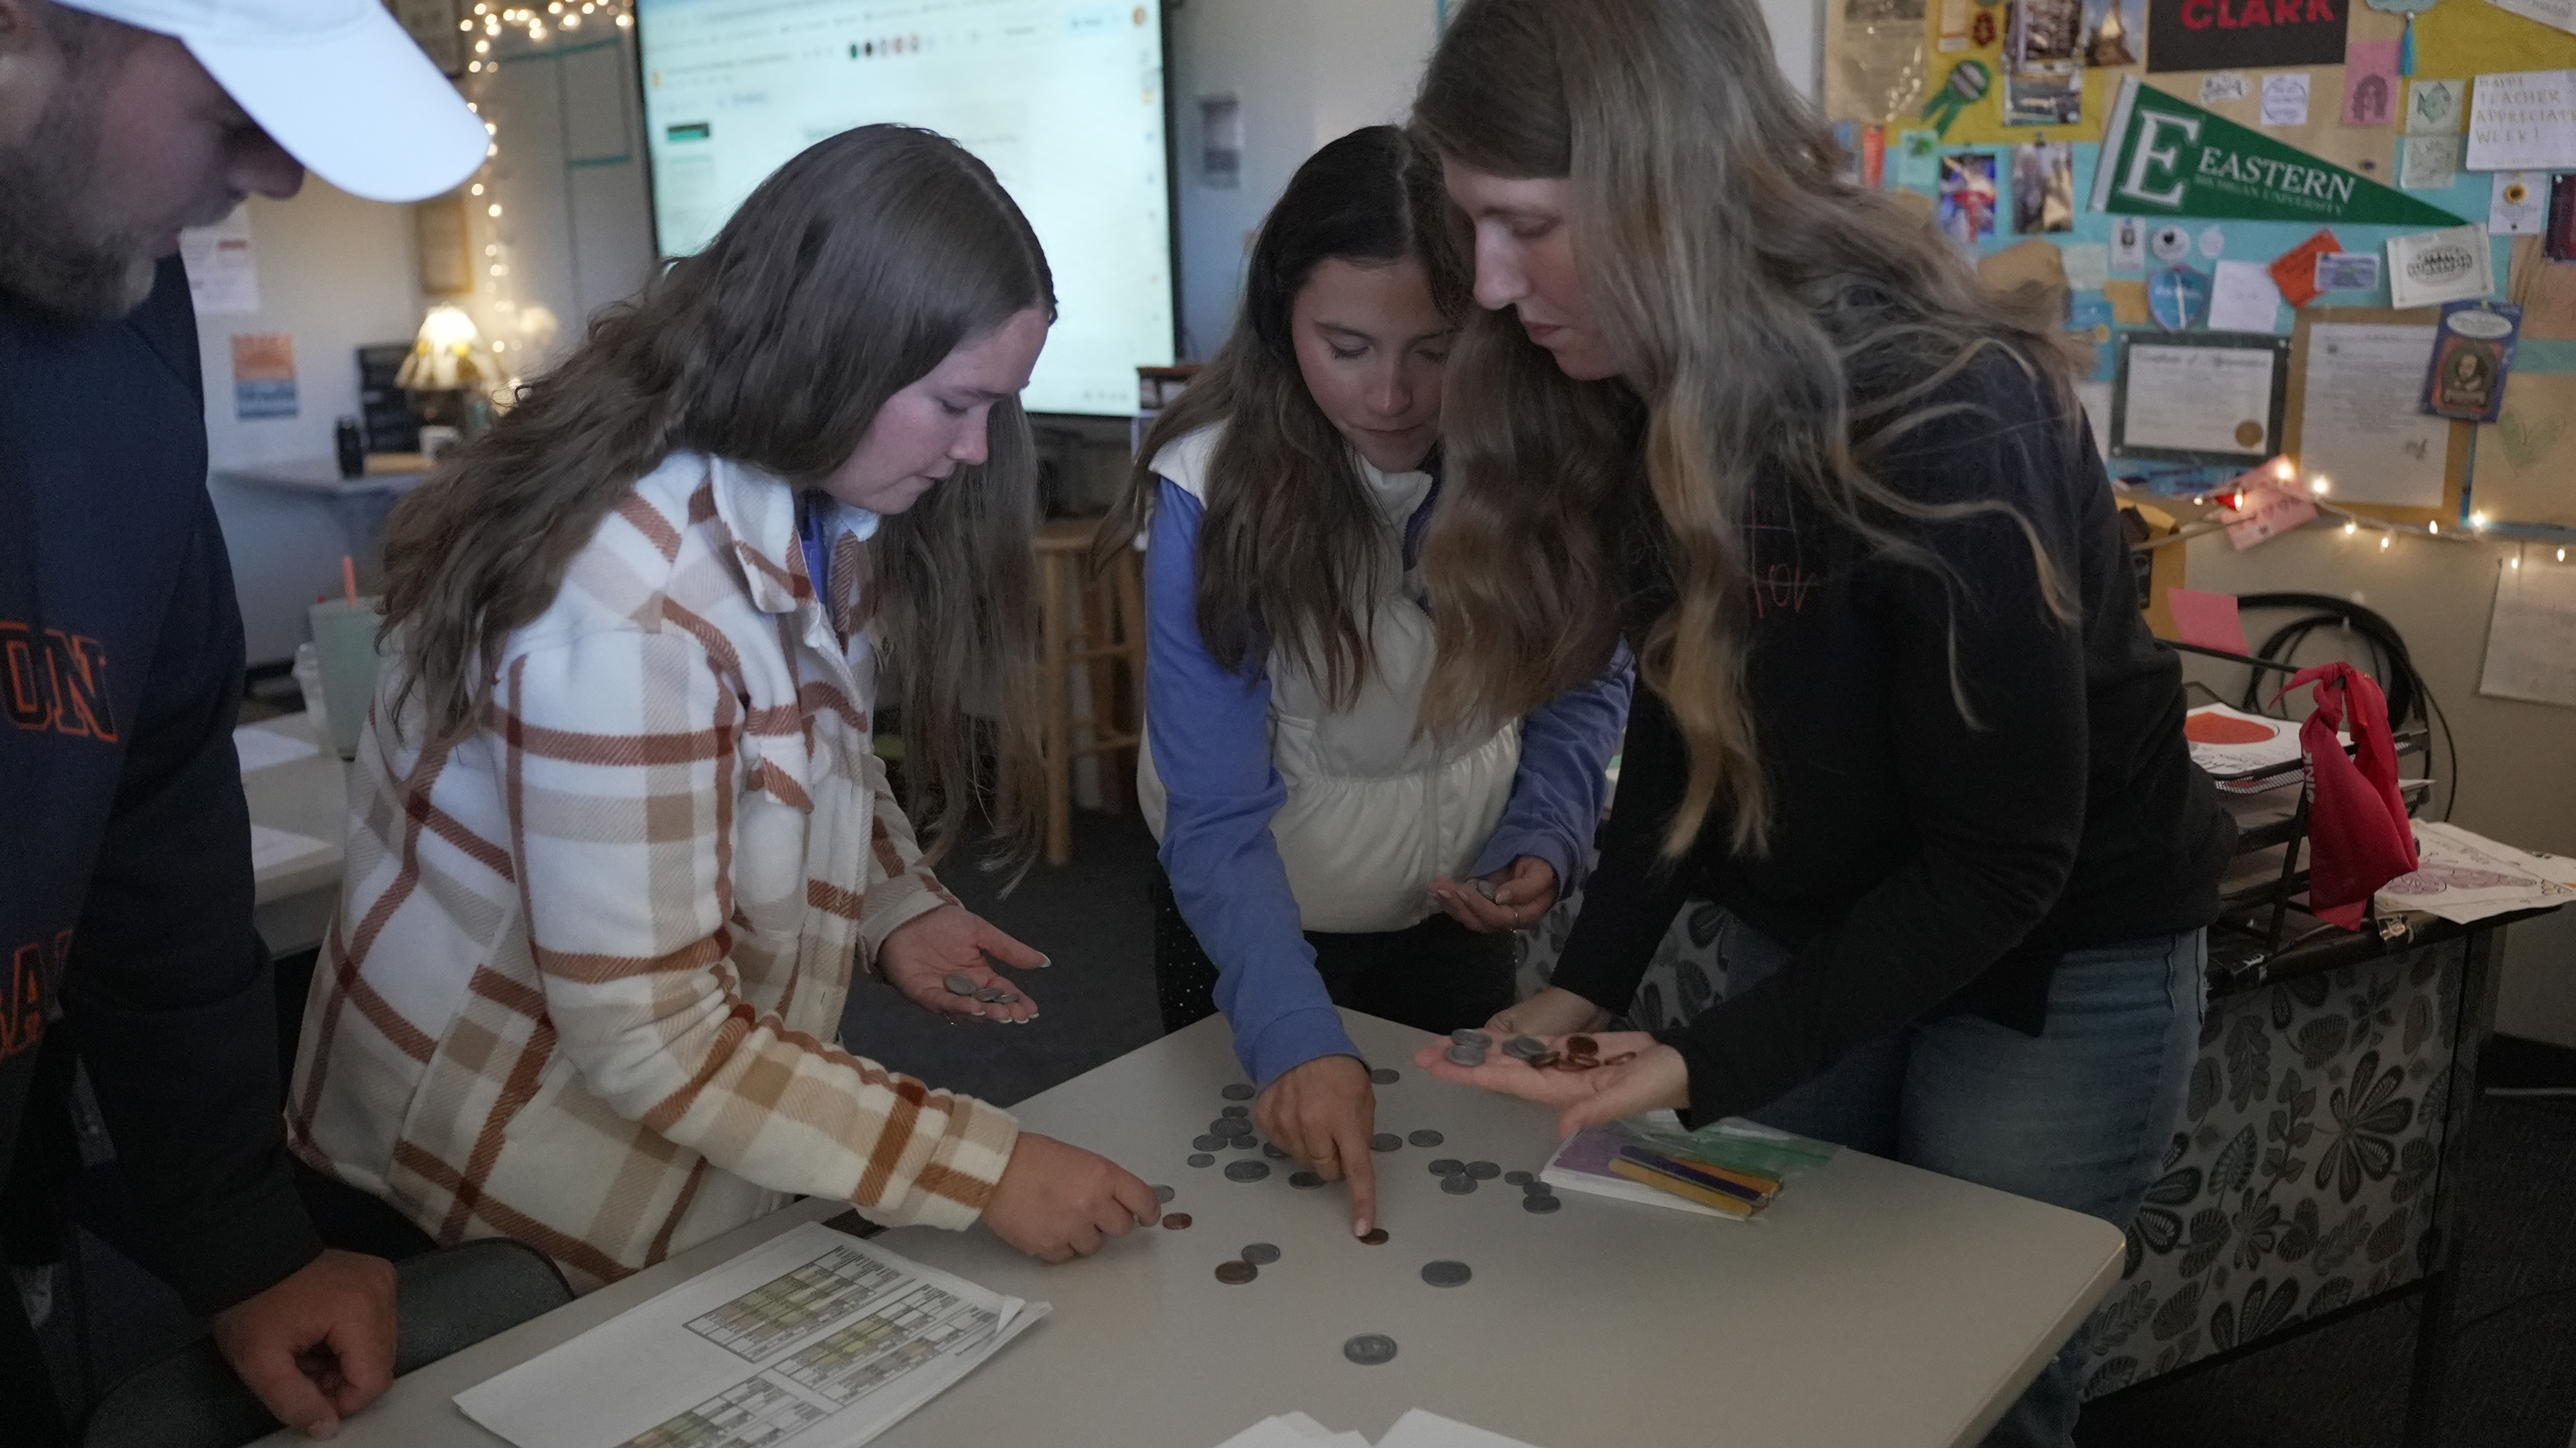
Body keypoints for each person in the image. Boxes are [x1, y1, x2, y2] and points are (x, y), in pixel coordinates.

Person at [1402, 3, 2235, 1444]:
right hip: (1834, 906)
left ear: (1663, 181)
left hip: (2057, 943)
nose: (1487, 282)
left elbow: (1997, 864)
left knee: (1978, 1363)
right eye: (1471, 223)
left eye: (1522, 224)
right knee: (1787, 1312)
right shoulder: (1631, 372)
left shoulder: (1940, 406)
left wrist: (1697, 1062)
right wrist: (1586, 986)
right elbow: (1684, 715)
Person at [287, 125, 1161, 1292]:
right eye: (957, 402)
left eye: (999, 408)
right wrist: (984, 1168)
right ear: (834, 356)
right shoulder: (628, 617)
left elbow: (811, 738)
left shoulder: (805, 500)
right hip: (478, 1201)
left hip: (628, 1142)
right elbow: (653, 1038)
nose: (974, 449)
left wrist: (891, 902)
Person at [0, 0, 487, 1438]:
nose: (277, 179)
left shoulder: (118, 307)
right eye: (234, 115)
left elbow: (152, 802)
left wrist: (239, 1233)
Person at [1104, 126, 1629, 1239]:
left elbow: (1584, 680)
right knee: (1252, 1234)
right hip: (1245, 933)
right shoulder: (1209, 484)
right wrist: (1293, 1032)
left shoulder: (1539, 453)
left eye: (1434, 352)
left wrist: (1545, 832)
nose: (1390, 395)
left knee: (1467, 1228)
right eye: (1345, 346)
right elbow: (1212, 813)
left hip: (1451, 919)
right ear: (1280, 317)